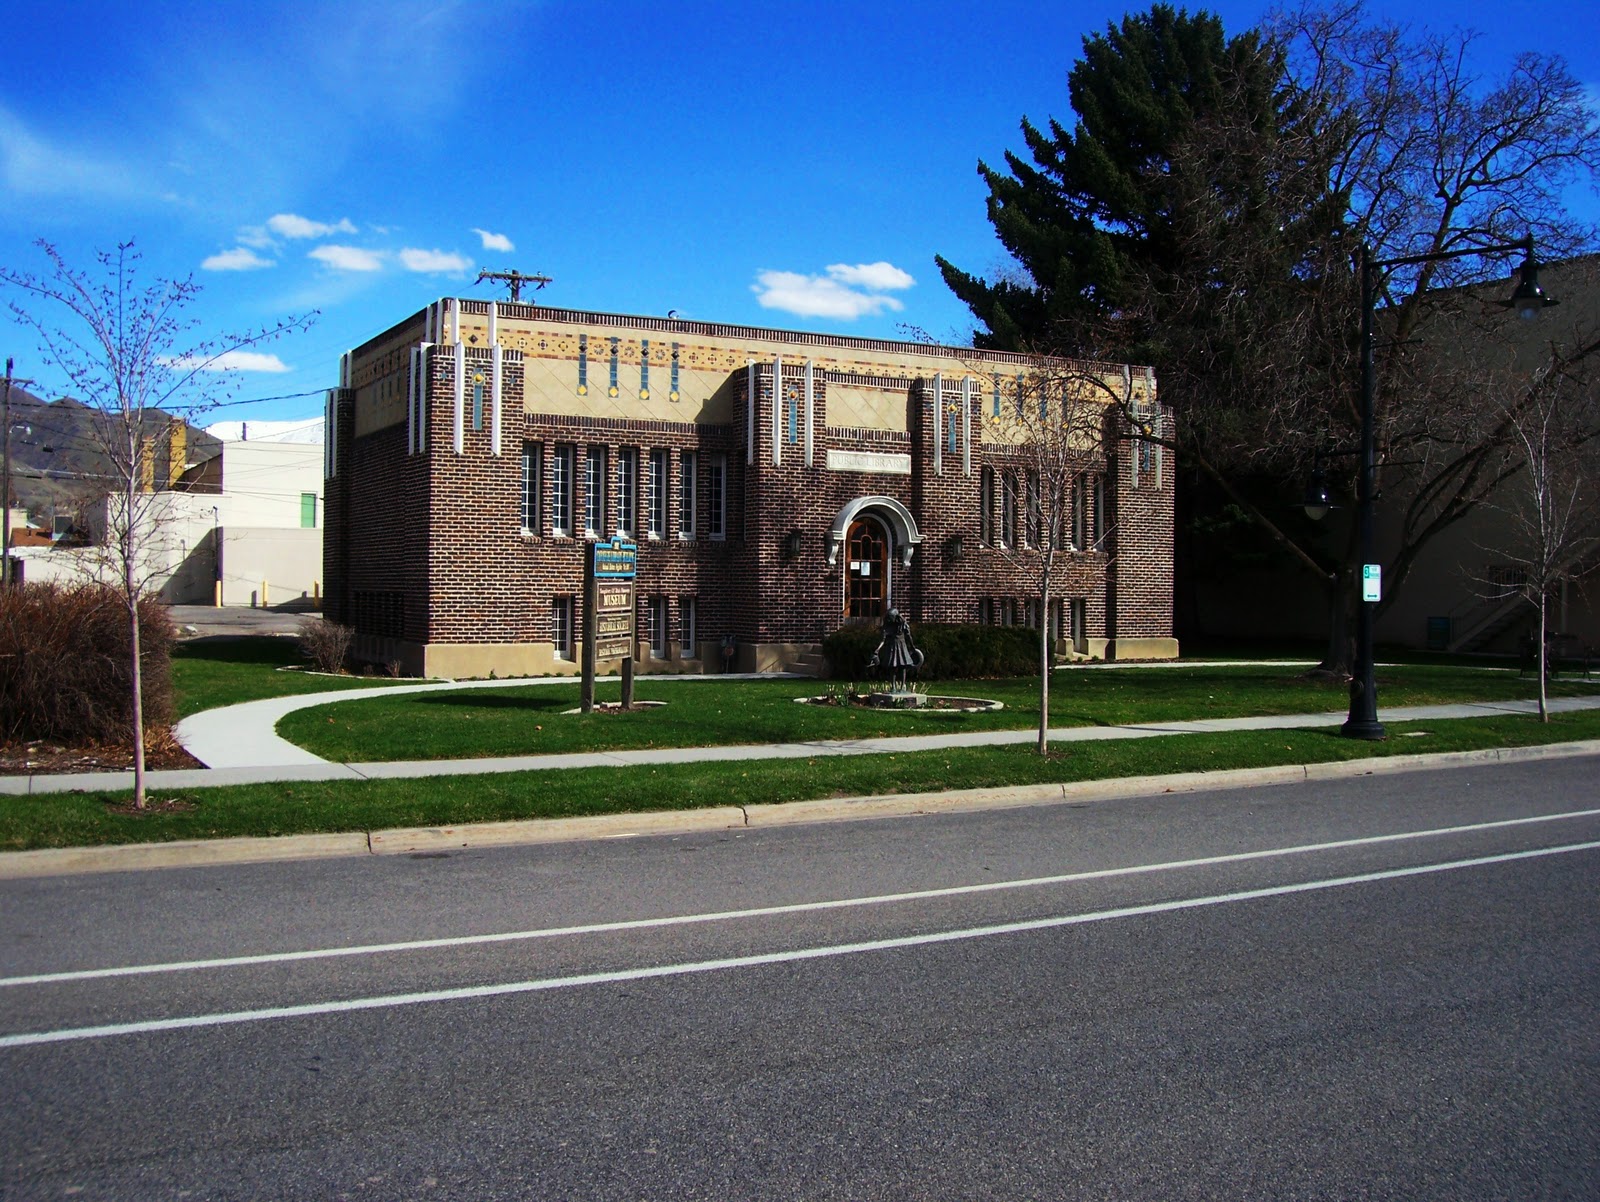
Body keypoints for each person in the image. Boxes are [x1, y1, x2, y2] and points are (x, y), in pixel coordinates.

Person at [867, 608, 922, 690]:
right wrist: (877, 650)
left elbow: (908, 636)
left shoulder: (903, 625)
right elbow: (883, 640)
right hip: (892, 648)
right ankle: (893, 686)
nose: (888, 619)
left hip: (902, 647)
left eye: (890, 617)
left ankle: (903, 685)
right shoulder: (887, 627)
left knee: (903, 666)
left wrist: (912, 647)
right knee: (893, 666)